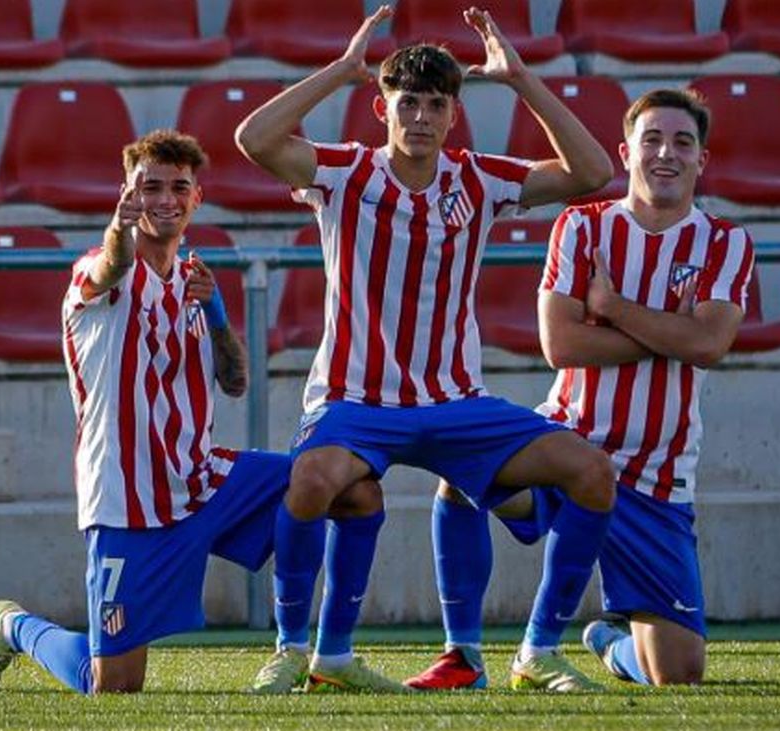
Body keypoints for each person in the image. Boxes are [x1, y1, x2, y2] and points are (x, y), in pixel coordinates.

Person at [236, 6, 618, 693]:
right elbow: (253, 138)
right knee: (313, 480)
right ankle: (298, 648)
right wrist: (340, 72)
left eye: (435, 104)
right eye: (406, 100)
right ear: (383, 106)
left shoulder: (481, 179)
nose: (419, 116)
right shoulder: (343, 171)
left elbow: (591, 171)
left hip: (454, 400)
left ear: (452, 115)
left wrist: (522, 79)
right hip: (355, 401)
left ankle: (533, 651)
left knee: (591, 471)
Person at [0, 129, 381, 695]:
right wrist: (117, 230)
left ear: (196, 198)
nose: (165, 199)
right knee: (112, 688)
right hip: (128, 501)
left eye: (179, 187)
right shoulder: (98, 273)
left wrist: (221, 319)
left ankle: (315, 652)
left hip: (204, 479)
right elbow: (112, 261)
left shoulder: (193, 281)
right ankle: (13, 626)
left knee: (352, 488)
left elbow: (234, 383)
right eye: (149, 187)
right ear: (128, 194)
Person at [412, 88, 755, 689]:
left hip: (656, 477)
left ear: (704, 159)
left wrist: (612, 306)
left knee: (679, 677)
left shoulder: (725, 242)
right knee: (463, 472)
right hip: (567, 444)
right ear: (626, 153)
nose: (665, 154)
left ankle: (608, 642)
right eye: (651, 140)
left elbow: (709, 346)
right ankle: (470, 653)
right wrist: (674, 332)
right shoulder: (583, 225)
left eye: (682, 142)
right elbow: (562, 345)